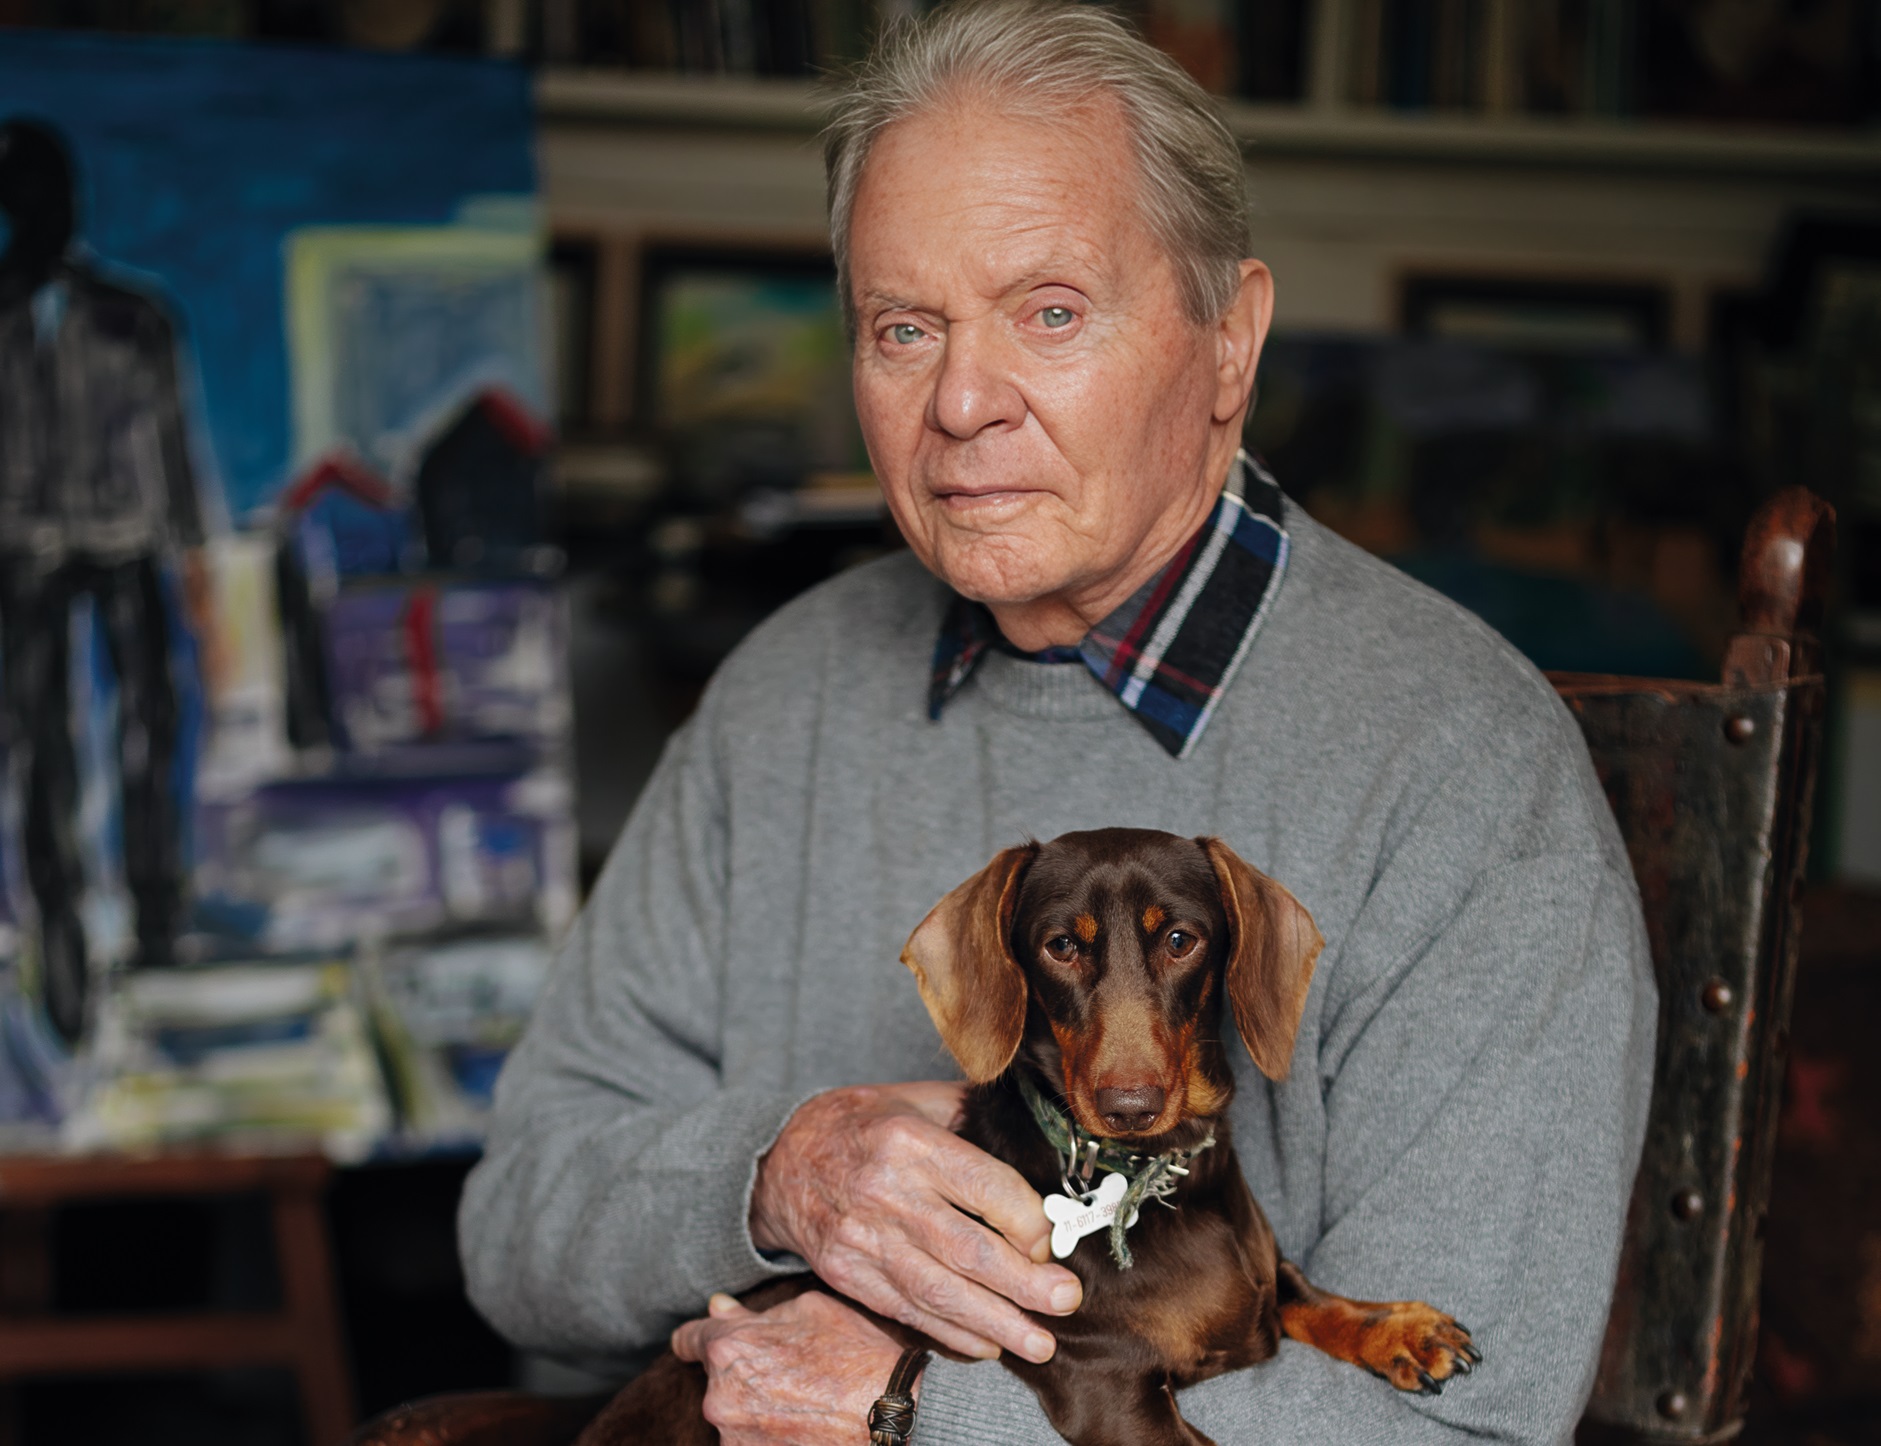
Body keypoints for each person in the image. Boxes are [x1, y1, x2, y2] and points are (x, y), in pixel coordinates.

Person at [461, 5, 1656, 1442]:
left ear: (1228, 342)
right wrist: (777, 1180)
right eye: (904, 329)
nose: (962, 402)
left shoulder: (1465, 767)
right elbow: (515, 1227)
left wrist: (916, 1408)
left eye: (1050, 312)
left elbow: (1470, 1417)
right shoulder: (783, 693)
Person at [0, 118, 215, 1042]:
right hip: (21, 555)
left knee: (147, 728)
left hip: (128, 546)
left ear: (71, 204)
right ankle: (65, 946)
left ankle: (159, 916)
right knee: (42, 748)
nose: (35, 215)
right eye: (19, 200)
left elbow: (173, 449)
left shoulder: (135, 313)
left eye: (48, 196)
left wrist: (193, 555)